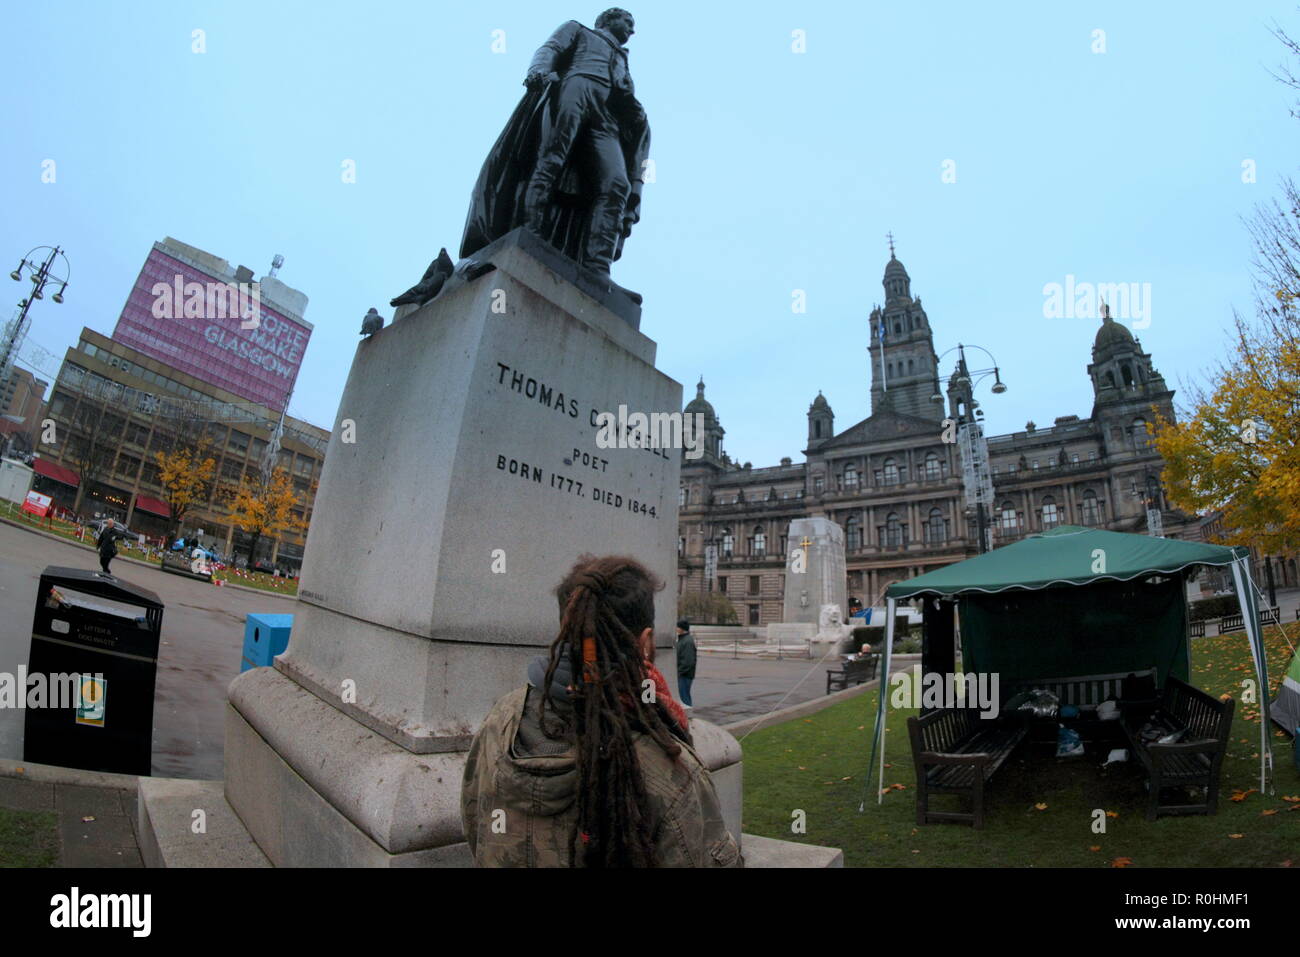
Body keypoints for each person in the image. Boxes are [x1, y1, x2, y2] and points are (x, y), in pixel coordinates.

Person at [461, 555, 741, 868]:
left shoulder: (501, 717)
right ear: (645, 642)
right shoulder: (672, 769)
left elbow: (475, 827)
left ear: (565, 628)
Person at [460, 8, 650, 277]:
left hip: (607, 114)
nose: (632, 29)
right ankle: (532, 234)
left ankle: (597, 267)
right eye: (628, 21)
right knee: (551, 161)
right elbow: (550, 48)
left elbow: (625, 94)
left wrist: (636, 113)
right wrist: (539, 70)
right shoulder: (578, 29)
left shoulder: (623, 59)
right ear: (608, 19)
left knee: (617, 183)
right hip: (575, 87)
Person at [676, 618, 696, 708]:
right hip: (684, 674)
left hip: (684, 675)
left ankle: (687, 717)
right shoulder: (683, 640)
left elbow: (688, 661)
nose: (676, 628)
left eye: (677, 627)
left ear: (682, 628)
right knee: (683, 696)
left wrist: (679, 672)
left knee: (684, 698)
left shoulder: (687, 641)